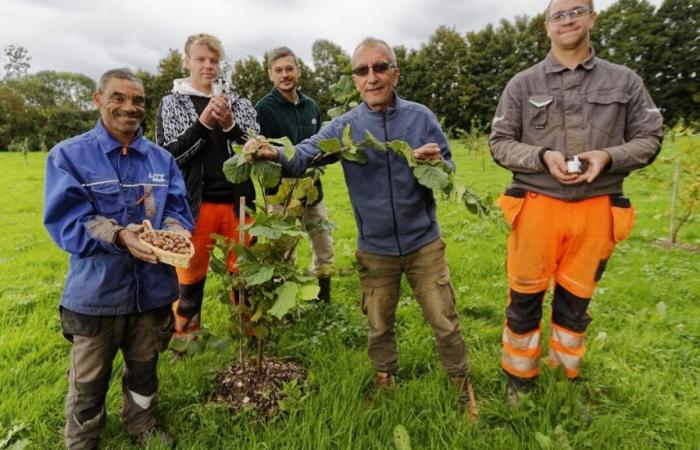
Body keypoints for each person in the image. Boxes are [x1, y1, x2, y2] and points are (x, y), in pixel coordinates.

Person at [253, 37, 476, 416]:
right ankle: (384, 378)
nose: (371, 77)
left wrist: (437, 164)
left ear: (395, 74)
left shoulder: (420, 117)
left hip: (424, 243)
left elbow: (450, 169)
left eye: (380, 67)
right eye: (362, 70)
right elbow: (304, 154)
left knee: (444, 319)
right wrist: (273, 152)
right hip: (375, 248)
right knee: (377, 323)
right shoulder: (346, 127)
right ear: (355, 80)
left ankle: (461, 384)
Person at [489, 0, 663, 405]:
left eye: (576, 11)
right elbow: (499, 143)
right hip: (535, 205)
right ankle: (519, 378)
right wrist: (540, 156)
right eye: (558, 15)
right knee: (524, 298)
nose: (567, 20)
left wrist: (608, 157)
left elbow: (650, 138)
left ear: (592, 18)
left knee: (575, 302)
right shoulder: (522, 84)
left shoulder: (625, 81)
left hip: (596, 207)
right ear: (547, 26)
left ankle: (565, 375)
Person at [43, 68, 194, 448]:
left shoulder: (162, 160)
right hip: (97, 293)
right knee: (89, 378)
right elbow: (69, 221)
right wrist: (119, 235)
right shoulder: (69, 156)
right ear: (98, 99)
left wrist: (174, 232)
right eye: (119, 98)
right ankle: (83, 437)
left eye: (138, 100)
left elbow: (177, 209)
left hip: (153, 290)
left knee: (145, 368)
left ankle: (142, 423)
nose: (130, 107)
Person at [156, 33, 260, 345]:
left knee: (244, 273)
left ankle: (249, 336)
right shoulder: (172, 103)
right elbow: (172, 155)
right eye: (200, 59)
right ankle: (185, 338)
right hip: (194, 205)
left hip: (238, 201)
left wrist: (229, 125)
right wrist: (203, 123)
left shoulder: (239, 102)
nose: (208, 65)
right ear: (186, 61)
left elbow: (256, 148)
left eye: (214, 60)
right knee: (189, 276)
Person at [255, 46, 334, 303]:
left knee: (323, 243)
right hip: (282, 193)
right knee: (284, 251)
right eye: (279, 70)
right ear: (270, 75)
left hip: (313, 188)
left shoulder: (310, 106)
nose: (285, 74)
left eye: (289, 68)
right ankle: (285, 305)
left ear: (298, 71)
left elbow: (321, 145)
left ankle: (323, 298)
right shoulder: (263, 109)